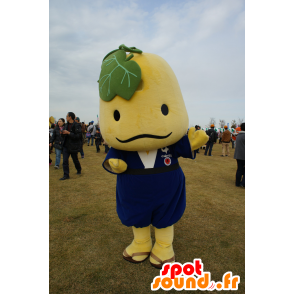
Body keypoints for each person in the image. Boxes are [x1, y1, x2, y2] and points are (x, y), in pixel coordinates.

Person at [59, 112, 82, 180]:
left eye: (67, 116)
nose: (66, 117)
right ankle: (66, 175)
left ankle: (79, 169)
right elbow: (65, 135)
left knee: (75, 160)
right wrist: (62, 133)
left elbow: (78, 136)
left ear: (70, 117)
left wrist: (68, 133)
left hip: (73, 146)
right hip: (66, 146)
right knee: (65, 161)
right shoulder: (66, 125)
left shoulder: (77, 125)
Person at [234, 123, 245, 187]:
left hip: (238, 155)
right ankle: (243, 183)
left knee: (239, 169)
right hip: (244, 155)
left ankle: (237, 183)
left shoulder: (238, 135)